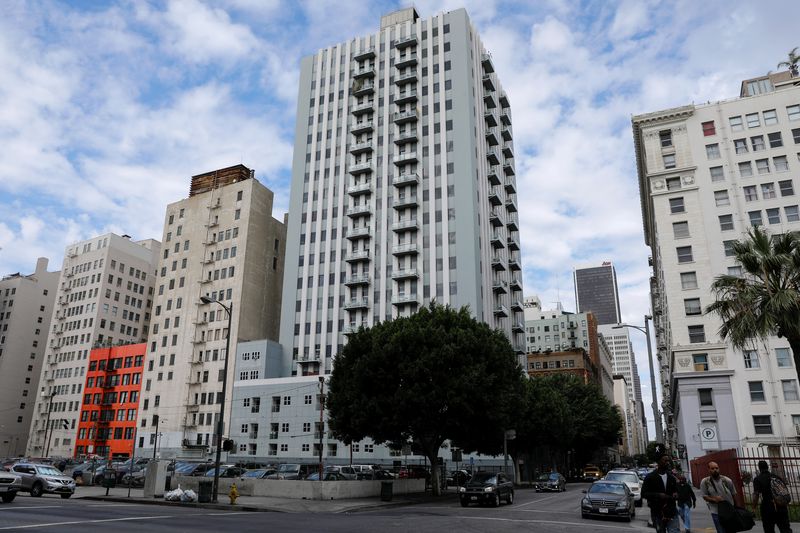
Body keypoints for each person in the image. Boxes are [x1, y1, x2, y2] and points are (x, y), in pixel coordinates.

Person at [642, 454, 681, 533]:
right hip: (657, 512)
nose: (668, 463)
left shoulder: (671, 477)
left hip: (671, 511)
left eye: (668, 461)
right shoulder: (650, 477)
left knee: (675, 531)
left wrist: (676, 494)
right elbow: (644, 493)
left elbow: (677, 491)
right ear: (659, 462)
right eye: (665, 461)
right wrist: (658, 495)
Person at [752, 460, 792, 533]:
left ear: (759, 468)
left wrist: (754, 508)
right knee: (785, 528)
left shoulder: (757, 479)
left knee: (769, 528)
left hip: (767, 507)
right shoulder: (776, 477)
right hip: (781, 505)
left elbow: (756, 495)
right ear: (767, 467)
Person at [701, 461, 736, 533]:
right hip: (716, 512)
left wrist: (735, 509)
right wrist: (714, 499)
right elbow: (704, 496)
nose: (715, 470)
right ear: (709, 470)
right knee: (721, 531)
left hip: (729, 511)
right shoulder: (705, 482)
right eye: (712, 468)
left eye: (716, 468)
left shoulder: (727, 480)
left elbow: (734, 495)